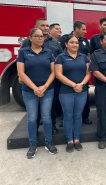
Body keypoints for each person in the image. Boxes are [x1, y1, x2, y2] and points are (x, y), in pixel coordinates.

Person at [17, 28, 57, 159]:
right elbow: (21, 73)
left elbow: (53, 72)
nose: (41, 38)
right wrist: (35, 88)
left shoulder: (48, 52)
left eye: (42, 36)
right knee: (32, 118)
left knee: (46, 117)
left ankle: (48, 142)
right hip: (29, 92)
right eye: (38, 36)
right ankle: (32, 144)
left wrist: (44, 87)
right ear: (30, 38)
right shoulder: (23, 52)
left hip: (47, 90)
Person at [22, 18, 63, 135]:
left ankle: (52, 126)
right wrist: (21, 76)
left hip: (51, 81)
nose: (45, 28)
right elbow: (22, 60)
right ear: (36, 26)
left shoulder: (55, 42)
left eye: (47, 26)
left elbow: (61, 59)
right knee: (34, 109)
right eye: (43, 25)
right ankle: (34, 129)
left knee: (51, 106)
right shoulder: (27, 42)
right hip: (32, 82)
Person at [55, 35, 90, 152]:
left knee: (78, 115)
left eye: (76, 43)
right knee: (68, 115)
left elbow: (88, 73)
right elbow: (58, 75)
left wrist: (81, 84)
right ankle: (69, 140)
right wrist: (74, 85)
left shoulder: (84, 57)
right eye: (72, 42)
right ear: (66, 44)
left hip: (82, 90)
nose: (75, 45)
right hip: (66, 91)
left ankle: (77, 139)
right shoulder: (61, 57)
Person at [59, 21, 91, 125]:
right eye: (83, 29)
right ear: (76, 29)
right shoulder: (65, 38)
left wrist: (82, 83)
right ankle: (64, 119)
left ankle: (85, 117)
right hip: (68, 75)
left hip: (82, 73)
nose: (85, 31)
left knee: (83, 104)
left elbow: (88, 55)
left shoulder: (85, 41)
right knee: (67, 109)